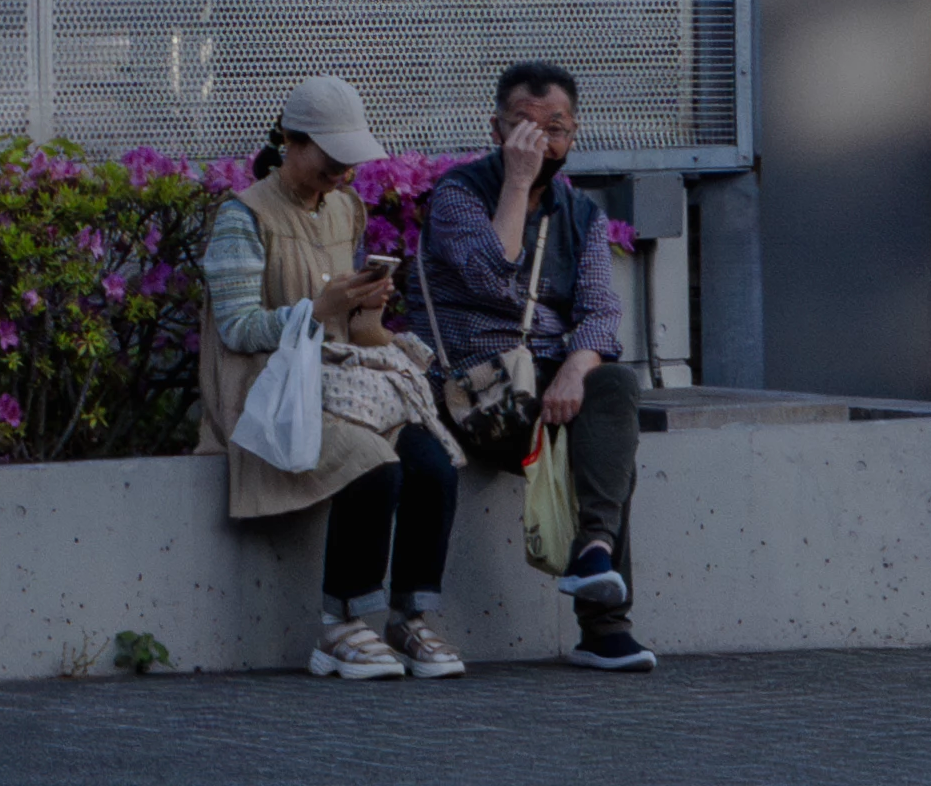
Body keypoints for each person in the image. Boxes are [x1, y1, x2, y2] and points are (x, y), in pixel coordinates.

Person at [201, 72, 466, 680]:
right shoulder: (241, 216)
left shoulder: (346, 206)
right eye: (332, 159)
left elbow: (353, 328)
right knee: (372, 462)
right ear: (290, 142)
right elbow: (237, 330)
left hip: (344, 383)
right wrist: (317, 311)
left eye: (351, 160)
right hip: (269, 392)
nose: (344, 173)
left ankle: (409, 616)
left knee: (433, 463)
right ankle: (340, 625)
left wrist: (371, 311)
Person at [399, 59, 656, 672]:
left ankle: (593, 553)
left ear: (575, 133)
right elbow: (493, 273)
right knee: (607, 455)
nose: (541, 141)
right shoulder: (459, 195)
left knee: (613, 385)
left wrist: (575, 368)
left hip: (545, 387)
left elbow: (599, 313)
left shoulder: (584, 216)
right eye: (524, 126)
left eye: (556, 127)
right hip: (473, 392)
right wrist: (517, 183)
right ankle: (604, 626)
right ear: (496, 129)